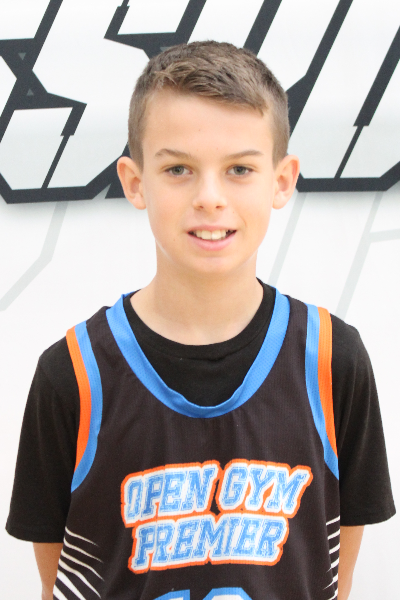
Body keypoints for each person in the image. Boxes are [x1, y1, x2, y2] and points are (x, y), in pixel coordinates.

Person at [6, 41, 395, 600]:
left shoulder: (334, 360)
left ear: (282, 180)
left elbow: (335, 575)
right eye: (178, 169)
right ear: (135, 182)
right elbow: (62, 579)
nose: (210, 198)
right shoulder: (72, 374)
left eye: (239, 169)